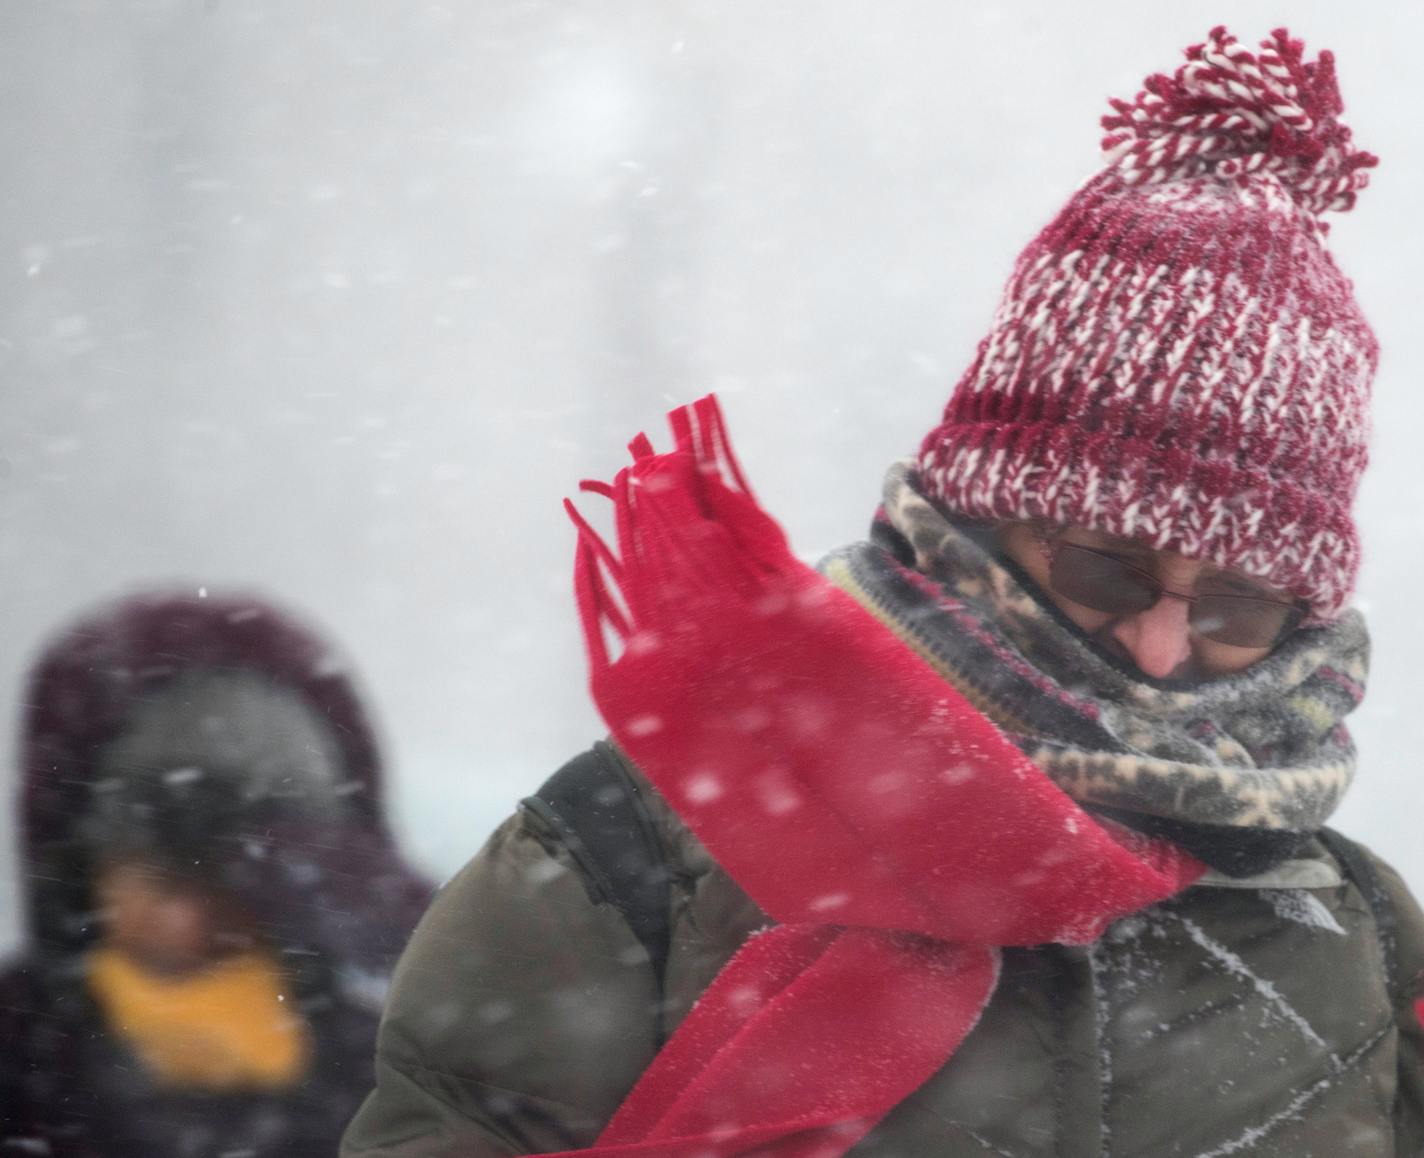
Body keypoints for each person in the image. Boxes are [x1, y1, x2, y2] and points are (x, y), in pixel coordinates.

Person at [341, 28, 1424, 1157]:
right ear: (972, 527)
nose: (1158, 648)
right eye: (1107, 566)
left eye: (1231, 610)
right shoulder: (647, 850)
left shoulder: (1360, 936)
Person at [0, 589, 434, 1157]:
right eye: (158, 881)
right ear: (79, 872)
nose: (190, 925)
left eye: (239, 886)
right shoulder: (16, 1062)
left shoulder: (396, 1082)